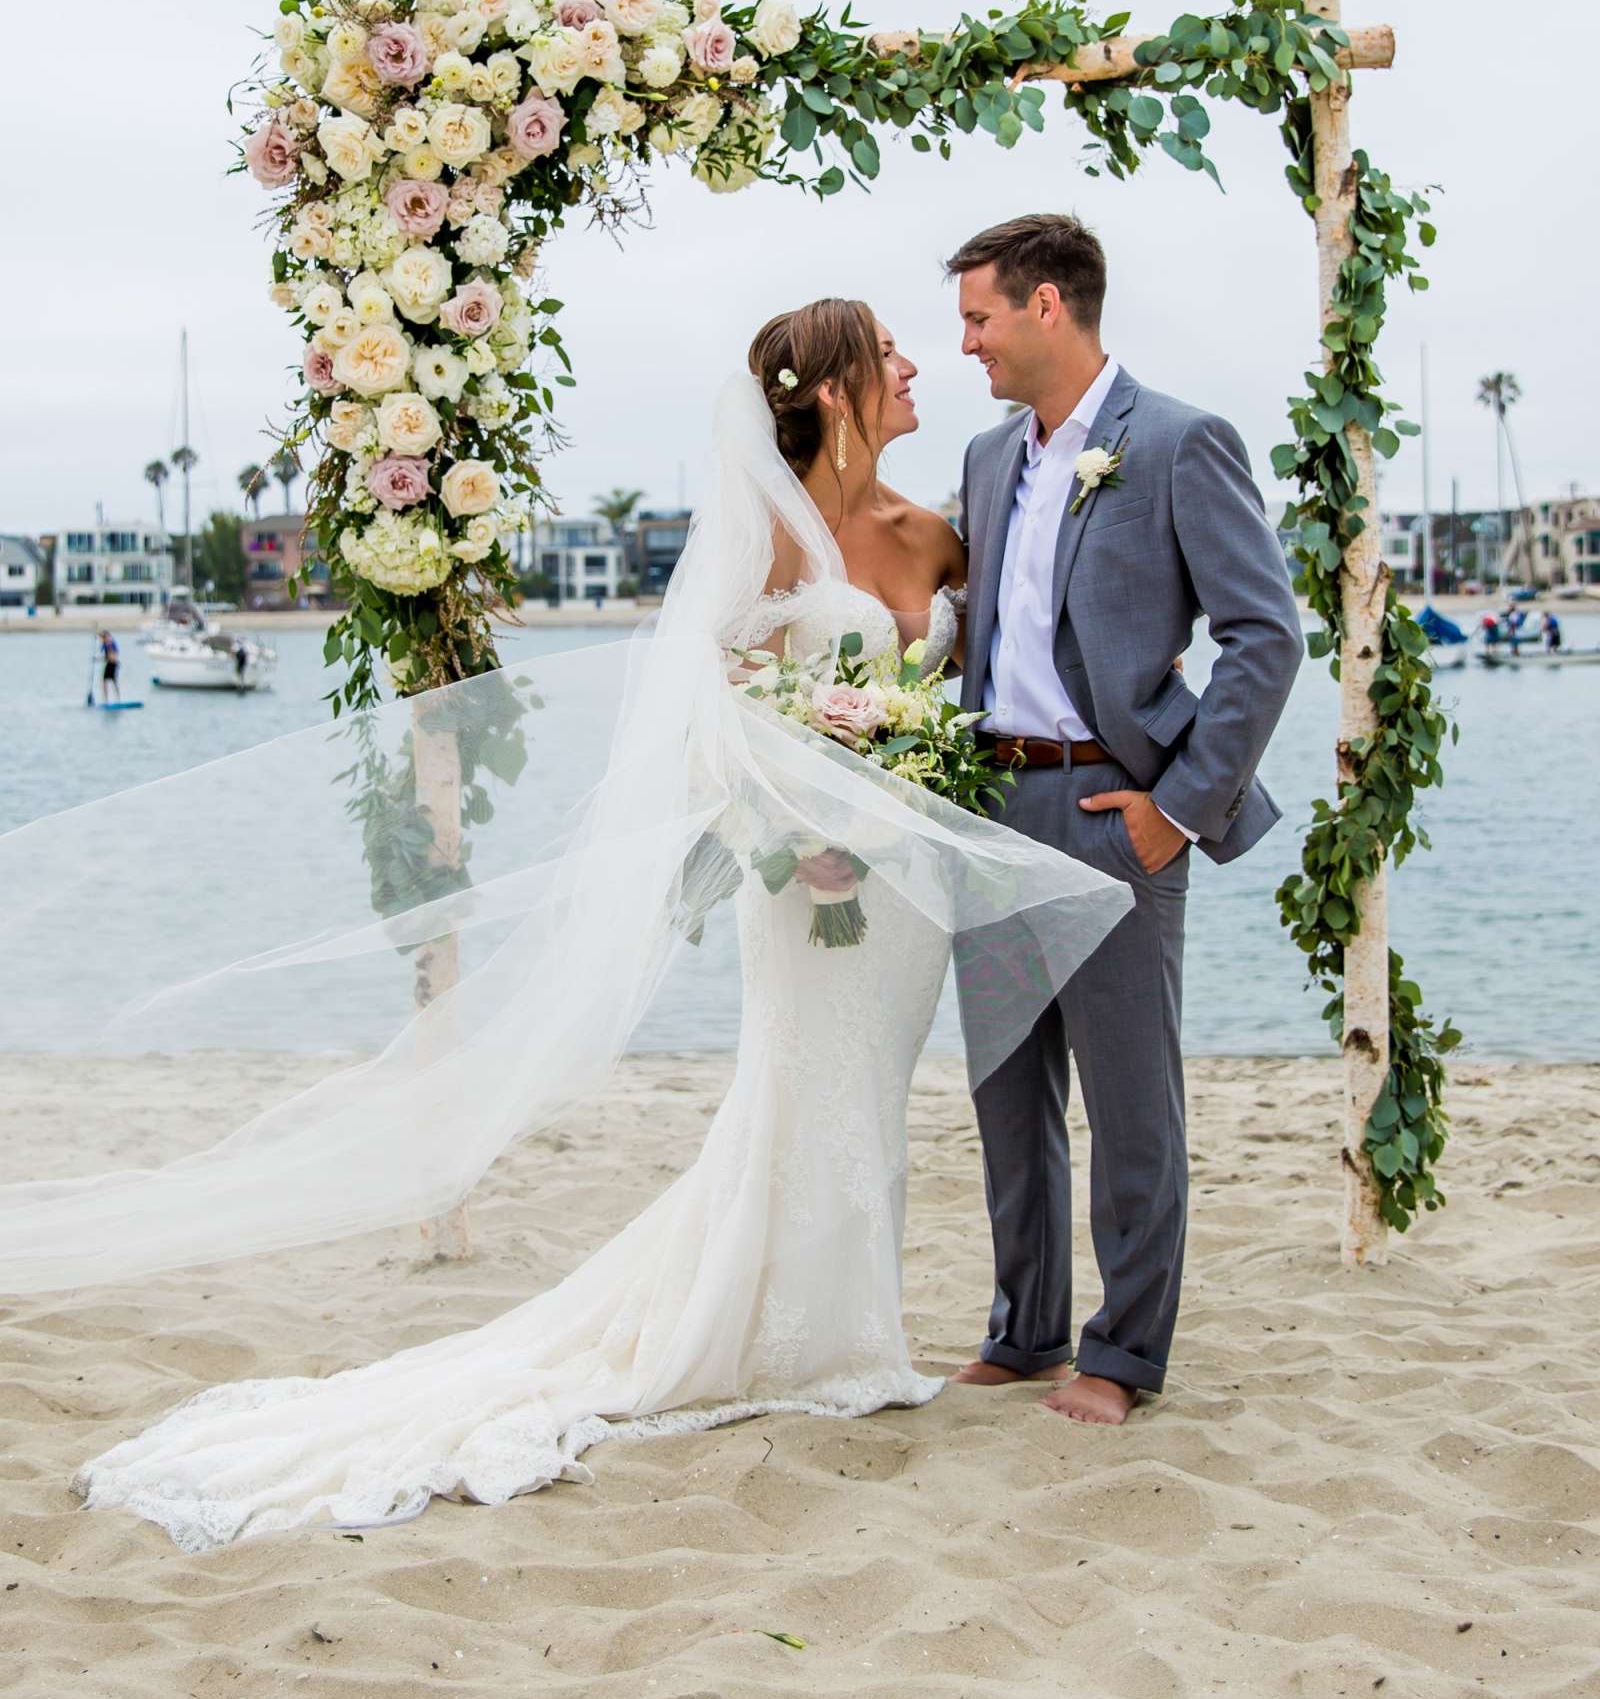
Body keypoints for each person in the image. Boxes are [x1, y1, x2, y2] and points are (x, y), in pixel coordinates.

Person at [12, 301, 1128, 1549]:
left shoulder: (935, 531)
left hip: (903, 889)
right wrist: (789, 830)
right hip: (805, 880)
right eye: (891, 356)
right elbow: (714, 707)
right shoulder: (765, 531)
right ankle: (799, 1339)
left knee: (866, 1098)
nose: (920, 364)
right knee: (798, 1092)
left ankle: (845, 1328)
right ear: (827, 388)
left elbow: (1016, 648)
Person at [948, 213, 1303, 1425]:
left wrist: (1178, 809)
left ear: (1049, 306)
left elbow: (1267, 633)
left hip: (1113, 808)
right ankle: (1026, 1331)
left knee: (1130, 1101)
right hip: (989, 806)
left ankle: (1122, 1356)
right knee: (1008, 1092)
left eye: (979, 316)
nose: (967, 344)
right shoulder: (990, 457)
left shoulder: (1180, 443)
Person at [97, 627, 120, 701]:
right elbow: (105, 656)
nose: (102, 639)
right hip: (108, 663)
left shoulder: (111, 643)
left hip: (113, 664)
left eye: (104, 637)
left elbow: (112, 656)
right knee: (104, 681)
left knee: (114, 681)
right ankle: (106, 700)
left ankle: (118, 699)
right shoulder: (104, 644)